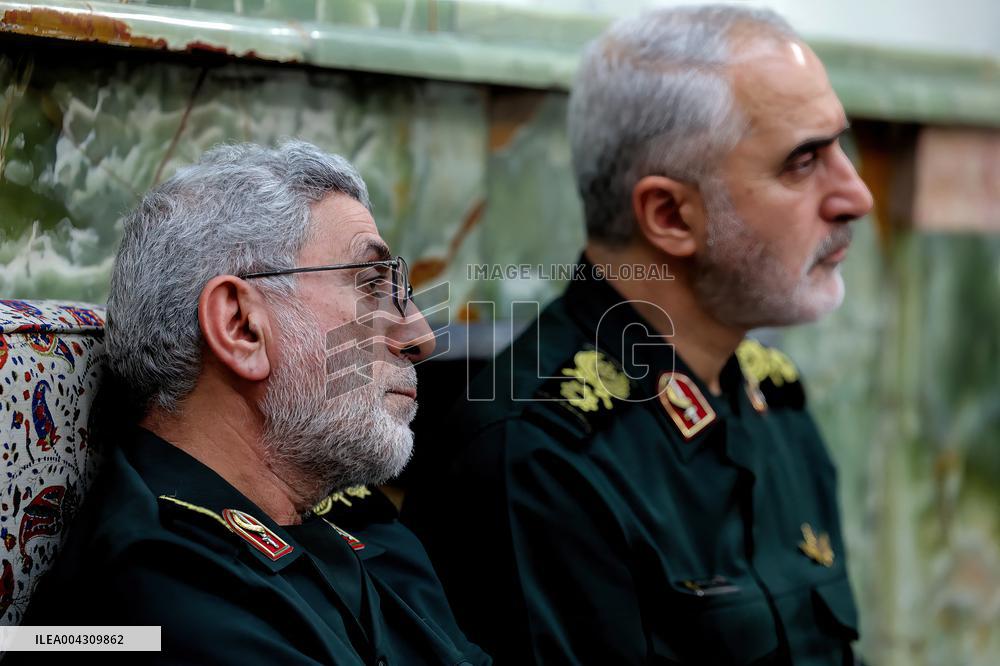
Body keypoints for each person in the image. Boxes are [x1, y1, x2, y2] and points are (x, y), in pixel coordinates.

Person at [403, 6, 874, 665]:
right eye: (803, 162)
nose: (856, 195)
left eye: (839, 146)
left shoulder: (768, 398)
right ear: (670, 216)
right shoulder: (540, 459)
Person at [16, 141, 490, 665]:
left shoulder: (355, 520)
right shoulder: (160, 602)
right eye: (370, 285)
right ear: (242, 328)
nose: (420, 335)